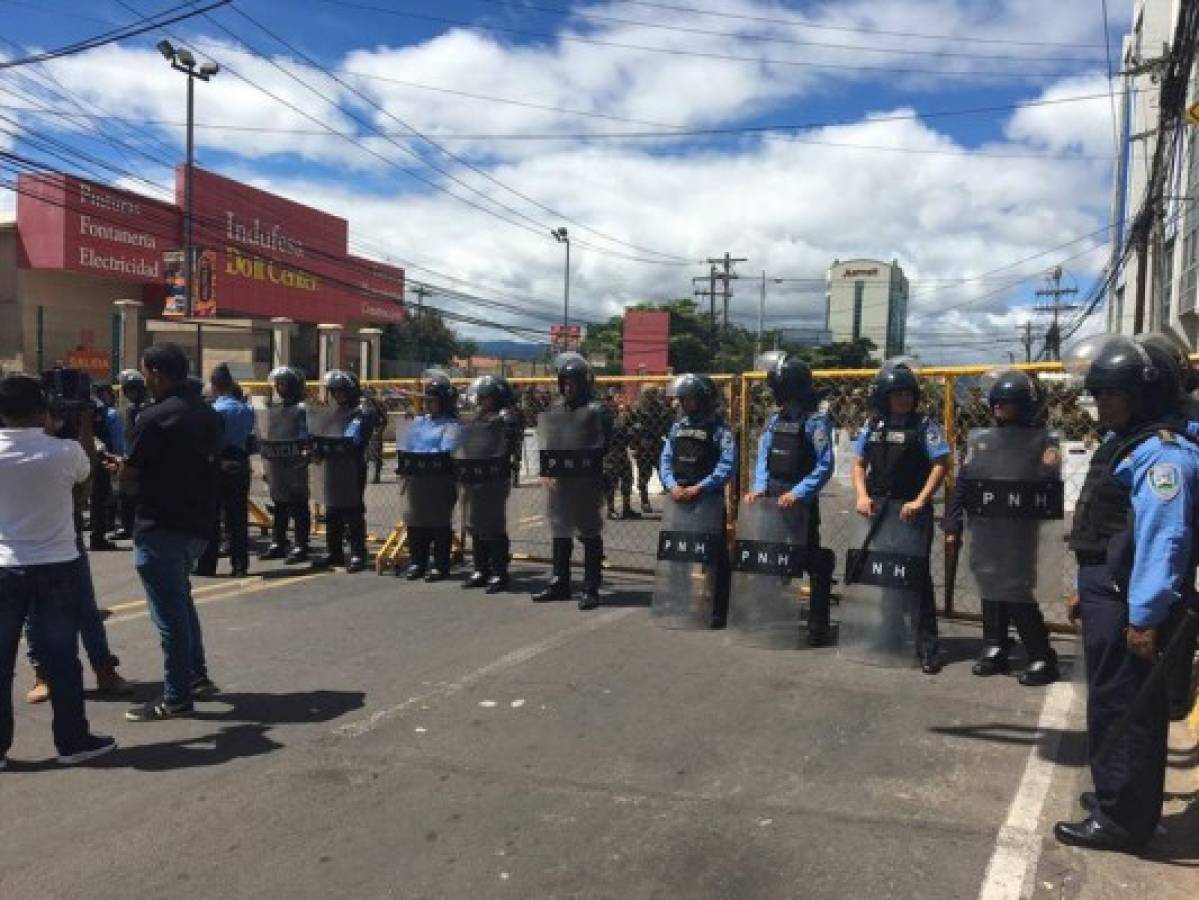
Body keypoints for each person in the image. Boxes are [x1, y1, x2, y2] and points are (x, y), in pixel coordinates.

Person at [1054, 334, 1199, 852]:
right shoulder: (1130, 441)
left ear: (1144, 395)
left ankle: (1124, 820)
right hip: (1110, 592)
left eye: (1111, 394)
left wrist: (1145, 617)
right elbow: (1111, 531)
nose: (1101, 404)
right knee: (1115, 702)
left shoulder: (1163, 456)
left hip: (1130, 605)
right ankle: (1121, 797)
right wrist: (1081, 586)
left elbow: (1165, 542)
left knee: (1126, 708)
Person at [1, 374, 117, 767]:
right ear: (43, 410)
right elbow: (87, 475)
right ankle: (72, 741)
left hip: (5, 566)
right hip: (56, 565)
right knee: (62, 659)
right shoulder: (63, 451)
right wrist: (83, 423)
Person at [106, 343, 223, 722]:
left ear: (156, 373)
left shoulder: (154, 417)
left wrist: (118, 469)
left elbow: (132, 474)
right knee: (181, 601)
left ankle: (176, 695)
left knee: (169, 613)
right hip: (198, 523)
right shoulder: (207, 413)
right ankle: (196, 676)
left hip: (161, 524)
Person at [943, 370, 1061, 686]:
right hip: (985, 526)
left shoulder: (1042, 442)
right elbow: (963, 483)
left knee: (1016, 587)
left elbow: (1048, 484)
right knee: (989, 582)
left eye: (1006, 403)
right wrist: (952, 521)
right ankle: (995, 645)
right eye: (996, 403)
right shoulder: (982, 441)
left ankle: (1041, 654)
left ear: (1024, 406)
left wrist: (1044, 466)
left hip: (1018, 530)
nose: (997, 409)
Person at [851, 361, 950, 673]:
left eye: (908, 393)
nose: (904, 399)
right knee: (884, 574)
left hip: (911, 512)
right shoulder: (873, 426)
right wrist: (862, 495)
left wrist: (921, 500)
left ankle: (927, 647)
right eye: (897, 394)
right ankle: (889, 636)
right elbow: (857, 463)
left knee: (915, 578)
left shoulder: (925, 426)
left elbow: (940, 464)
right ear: (884, 396)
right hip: (879, 508)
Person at [742, 355, 837, 645]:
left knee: (811, 561)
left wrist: (798, 493)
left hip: (800, 504)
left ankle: (817, 622)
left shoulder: (815, 422)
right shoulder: (775, 420)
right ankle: (769, 614)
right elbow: (764, 457)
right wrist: (760, 487)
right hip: (773, 501)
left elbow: (825, 465)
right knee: (771, 557)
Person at [533, 353, 612, 610]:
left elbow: (608, 445)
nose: (568, 387)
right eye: (564, 382)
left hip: (587, 480)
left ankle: (590, 587)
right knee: (560, 530)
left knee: (589, 533)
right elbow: (549, 444)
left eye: (573, 382)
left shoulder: (597, 410)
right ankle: (560, 582)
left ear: (585, 383)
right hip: (561, 480)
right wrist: (546, 471)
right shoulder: (556, 409)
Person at [659, 374, 737, 627]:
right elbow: (666, 460)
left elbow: (726, 466)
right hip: (678, 498)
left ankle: (717, 610)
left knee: (714, 556)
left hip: (708, 501)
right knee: (677, 552)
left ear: (703, 399)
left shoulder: (720, 431)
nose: (683, 404)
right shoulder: (677, 427)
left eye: (688, 399)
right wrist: (671, 486)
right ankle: (678, 602)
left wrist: (699, 488)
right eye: (681, 399)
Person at [458, 375, 521, 593]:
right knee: (475, 523)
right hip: (475, 474)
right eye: (481, 397)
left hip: (494, 476)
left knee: (492, 524)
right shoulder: (478, 417)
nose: (481, 402)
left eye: (486, 398)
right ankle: (480, 569)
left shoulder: (505, 418)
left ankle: (499, 572)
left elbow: (507, 444)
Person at [196, 363, 255, 577]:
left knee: (211, 517)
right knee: (238, 517)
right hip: (240, 462)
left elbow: (210, 441)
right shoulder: (246, 410)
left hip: (219, 462)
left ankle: (207, 564)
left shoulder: (215, 410)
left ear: (214, 385)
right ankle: (240, 565)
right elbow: (249, 435)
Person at [400, 372, 459, 581]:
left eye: (434, 401)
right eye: (428, 401)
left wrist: (423, 455)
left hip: (439, 478)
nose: (429, 405)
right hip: (417, 477)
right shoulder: (419, 422)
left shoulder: (451, 425)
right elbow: (407, 444)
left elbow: (446, 449)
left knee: (438, 522)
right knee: (415, 521)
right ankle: (418, 562)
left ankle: (441, 565)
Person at [313, 370, 373, 573]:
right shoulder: (332, 412)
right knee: (332, 511)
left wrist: (335, 442)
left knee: (353, 510)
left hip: (352, 465)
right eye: (334, 391)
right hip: (331, 465)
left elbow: (354, 438)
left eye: (341, 391)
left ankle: (358, 553)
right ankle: (334, 552)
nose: (338, 395)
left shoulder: (361, 412)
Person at [259, 367, 312, 565]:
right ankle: (278, 542)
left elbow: (306, 434)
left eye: (284, 384)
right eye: (278, 384)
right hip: (276, 461)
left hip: (295, 461)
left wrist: (303, 447)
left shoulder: (302, 409)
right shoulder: (274, 409)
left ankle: (301, 545)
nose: (280, 388)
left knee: (299, 505)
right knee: (279, 504)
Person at [110, 369, 149, 541]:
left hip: (143, 458)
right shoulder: (130, 410)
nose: (130, 393)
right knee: (124, 494)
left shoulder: (147, 408)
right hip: (129, 455)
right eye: (127, 389)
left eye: (133, 389)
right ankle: (126, 526)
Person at [88, 383, 123, 551]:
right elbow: (117, 442)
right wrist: (117, 461)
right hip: (102, 460)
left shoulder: (75, 412)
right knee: (99, 500)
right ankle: (98, 537)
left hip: (75, 458)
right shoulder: (109, 413)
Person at [631, 387, 669, 512]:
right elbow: (632, 428)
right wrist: (634, 446)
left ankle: (670, 501)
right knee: (643, 476)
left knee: (664, 473)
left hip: (657, 444)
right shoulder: (638, 409)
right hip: (643, 445)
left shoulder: (660, 408)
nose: (655, 396)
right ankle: (644, 501)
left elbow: (665, 424)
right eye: (653, 393)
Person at [603, 393, 640, 520]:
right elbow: (617, 430)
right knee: (611, 482)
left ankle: (626, 508)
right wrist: (623, 418)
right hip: (611, 452)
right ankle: (611, 509)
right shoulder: (606, 415)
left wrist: (629, 412)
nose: (620, 401)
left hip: (622, 451)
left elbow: (634, 426)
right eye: (617, 398)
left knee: (627, 479)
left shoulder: (624, 414)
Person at [363, 388, 388, 485]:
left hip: (375, 431)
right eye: (366, 394)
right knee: (365, 456)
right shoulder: (364, 404)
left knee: (376, 455)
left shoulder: (378, 404)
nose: (368, 396)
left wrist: (379, 432)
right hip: (366, 432)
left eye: (369, 394)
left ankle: (377, 476)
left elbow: (385, 420)